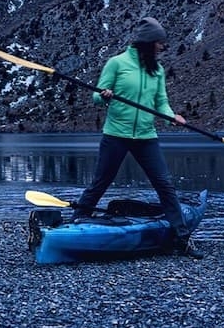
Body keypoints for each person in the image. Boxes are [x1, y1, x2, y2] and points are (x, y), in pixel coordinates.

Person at [72, 17, 204, 259]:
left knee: (164, 185)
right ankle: (76, 222)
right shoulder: (117, 64)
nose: (162, 47)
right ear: (147, 43)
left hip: (146, 136)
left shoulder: (157, 71)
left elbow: (160, 103)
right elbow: (96, 98)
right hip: (116, 134)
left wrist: (171, 117)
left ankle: (183, 239)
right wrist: (106, 95)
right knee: (100, 182)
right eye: (159, 43)